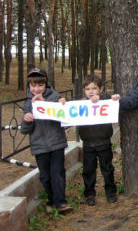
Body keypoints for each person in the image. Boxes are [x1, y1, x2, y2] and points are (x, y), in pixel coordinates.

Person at [21, 68, 73, 214]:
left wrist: (50, 105)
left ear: (46, 85)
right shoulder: (27, 104)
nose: (36, 89)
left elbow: (66, 121)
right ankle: (51, 201)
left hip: (56, 143)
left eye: (40, 85)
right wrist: (27, 120)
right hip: (39, 146)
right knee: (45, 176)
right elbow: (25, 130)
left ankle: (61, 203)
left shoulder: (56, 98)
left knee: (57, 173)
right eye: (33, 86)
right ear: (29, 86)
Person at [77, 74, 117, 206]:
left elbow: (111, 99)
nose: (91, 91)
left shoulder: (104, 100)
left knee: (107, 168)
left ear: (100, 89)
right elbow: (69, 113)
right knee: (89, 170)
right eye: (88, 89)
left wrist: (103, 98)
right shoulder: (80, 104)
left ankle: (111, 191)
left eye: (94, 88)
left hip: (104, 142)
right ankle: (89, 193)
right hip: (88, 144)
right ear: (84, 90)